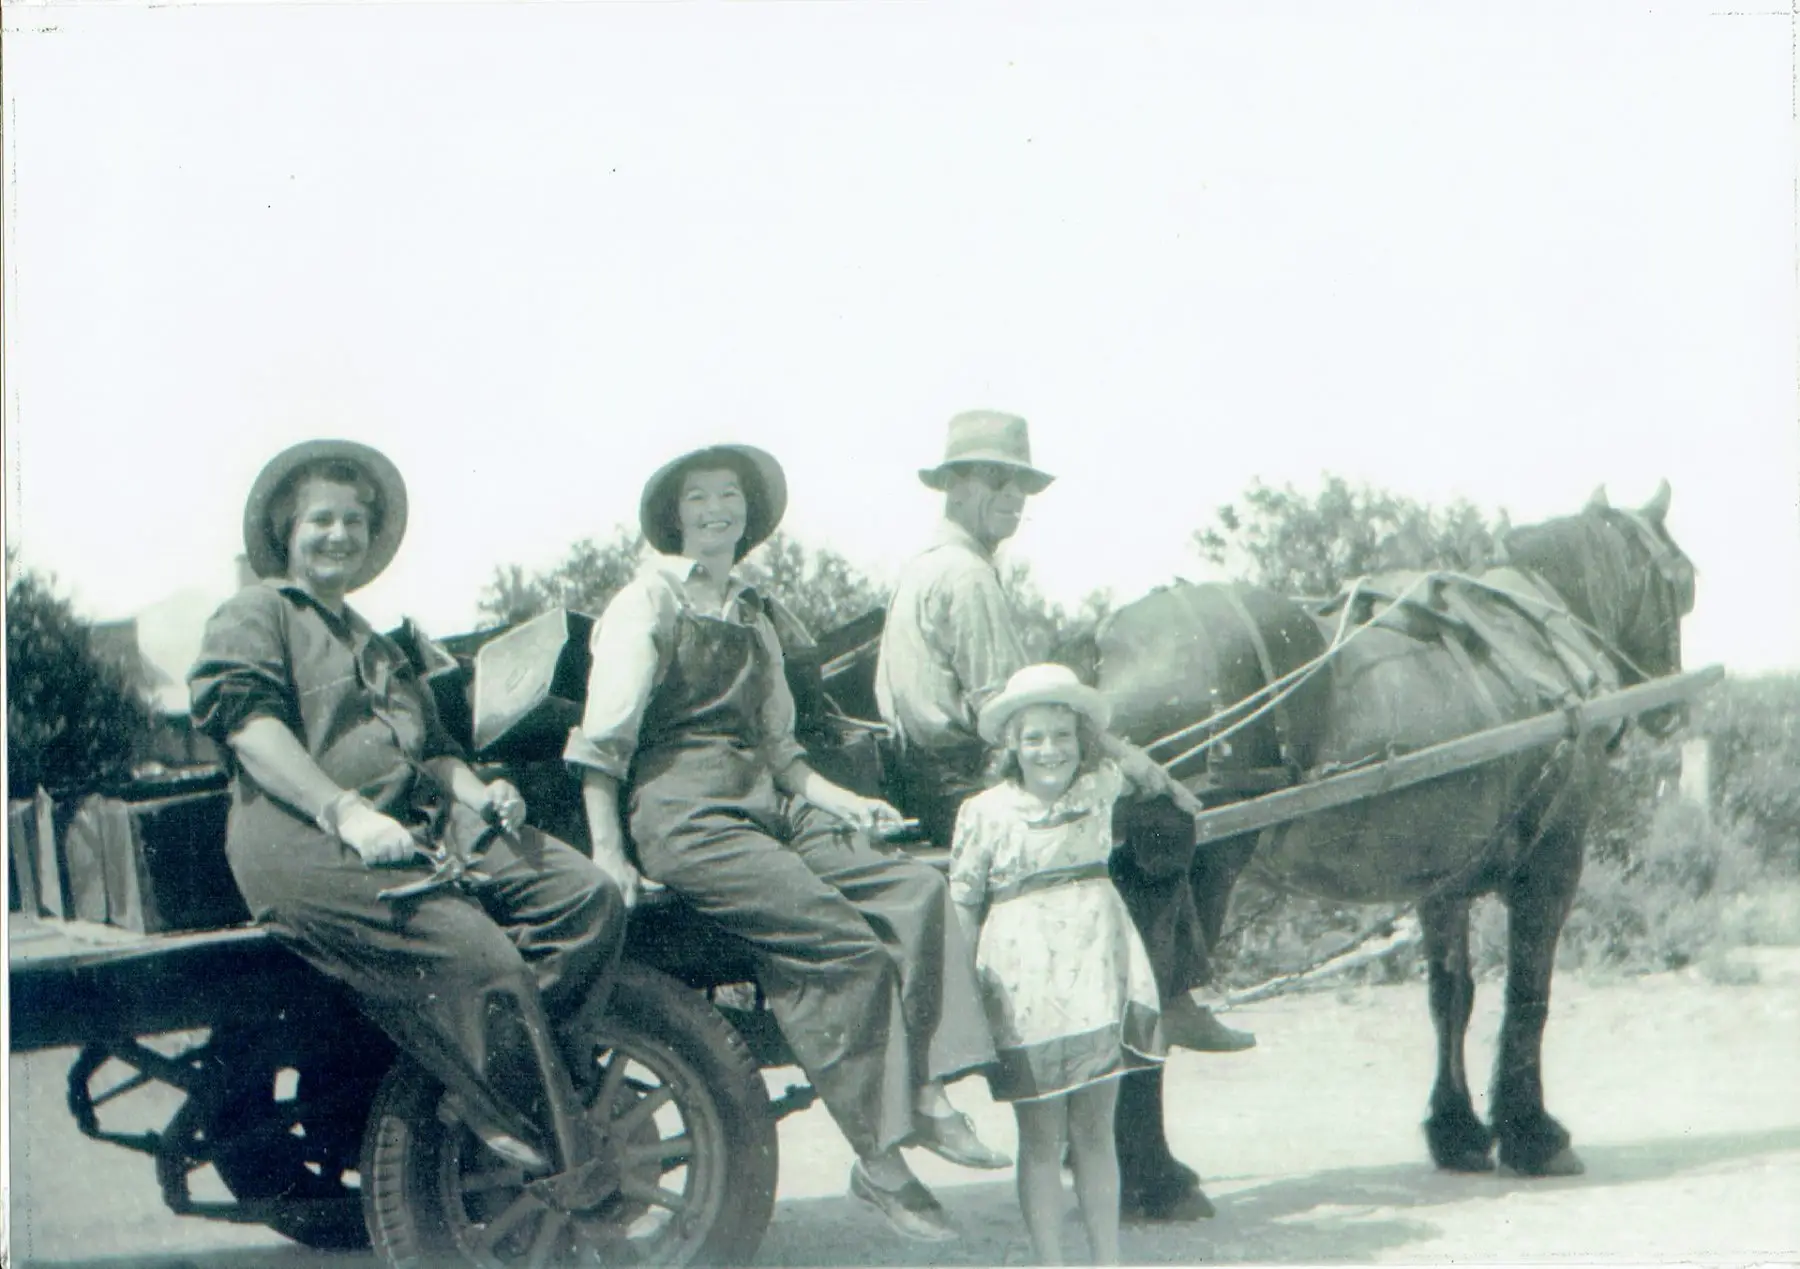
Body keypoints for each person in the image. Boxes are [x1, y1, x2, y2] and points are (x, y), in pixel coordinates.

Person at [564, 442, 1008, 1244]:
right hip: (685, 814)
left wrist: (847, 802)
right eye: (699, 498)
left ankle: (931, 1092)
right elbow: (604, 745)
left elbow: (784, 754)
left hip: (767, 800)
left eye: (729, 496)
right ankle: (881, 1160)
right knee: (842, 946)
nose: (716, 511)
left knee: (916, 889)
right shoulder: (646, 602)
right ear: (675, 516)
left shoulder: (754, 613)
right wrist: (608, 851)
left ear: (748, 513)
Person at [188, 439, 625, 1177]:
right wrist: (346, 814)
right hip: (306, 842)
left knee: (587, 897)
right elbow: (249, 730)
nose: (339, 535)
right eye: (321, 520)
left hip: (416, 827)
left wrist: (480, 792)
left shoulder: (375, 643)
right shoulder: (255, 612)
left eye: (354, 521)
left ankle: (493, 1067)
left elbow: (435, 752)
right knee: (482, 962)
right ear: (287, 532)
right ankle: (524, 1123)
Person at [874, 408, 1253, 1222]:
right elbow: (1019, 711)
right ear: (960, 486)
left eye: (1021, 486)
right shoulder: (967, 577)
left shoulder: (927, 565)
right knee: (1165, 821)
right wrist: (1138, 766)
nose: (1014, 500)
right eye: (999, 483)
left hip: (927, 771)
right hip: (964, 774)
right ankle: (1168, 989)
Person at [950, 663, 1171, 1265]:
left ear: (1082, 740)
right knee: (1042, 1137)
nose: (1050, 750)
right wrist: (963, 994)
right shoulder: (985, 812)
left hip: (1095, 970)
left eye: (1063, 735)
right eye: (1033, 738)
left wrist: (1112, 744)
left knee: (1096, 1131)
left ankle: (1107, 1260)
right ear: (1011, 746)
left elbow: (1144, 773)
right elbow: (963, 904)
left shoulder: (1098, 788)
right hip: (1026, 985)